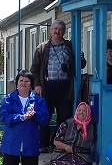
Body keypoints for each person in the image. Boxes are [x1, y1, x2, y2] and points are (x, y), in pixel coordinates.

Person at [0, 70, 51, 165]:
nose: (23, 83)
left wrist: (34, 115)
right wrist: (22, 117)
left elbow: (45, 120)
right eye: (21, 81)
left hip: (30, 144)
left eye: (27, 81)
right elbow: (5, 118)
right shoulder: (8, 99)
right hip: (11, 145)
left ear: (31, 85)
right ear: (16, 83)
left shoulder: (38, 101)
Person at [29, 19, 84, 151]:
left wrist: (81, 58)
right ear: (51, 30)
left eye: (60, 29)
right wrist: (37, 85)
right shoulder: (42, 48)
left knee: (64, 117)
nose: (57, 32)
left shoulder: (70, 47)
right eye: (55, 29)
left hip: (65, 87)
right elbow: (34, 69)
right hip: (46, 87)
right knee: (44, 116)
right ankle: (43, 144)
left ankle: (57, 143)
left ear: (64, 32)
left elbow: (80, 65)